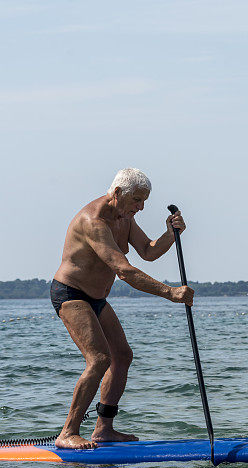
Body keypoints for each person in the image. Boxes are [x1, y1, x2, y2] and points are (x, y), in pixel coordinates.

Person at [51, 168, 194, 449]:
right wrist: (171, 293)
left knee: (123, 356)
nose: (140, 208)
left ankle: (104, 429)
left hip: (97, 298)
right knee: (99, 359)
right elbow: (124, 271)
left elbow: (149, 251)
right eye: (137, 200)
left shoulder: (124, 218)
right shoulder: (94, 221)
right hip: (71, 294)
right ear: (117, 193)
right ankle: (68, 432)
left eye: (144, 202)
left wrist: (171, 234)